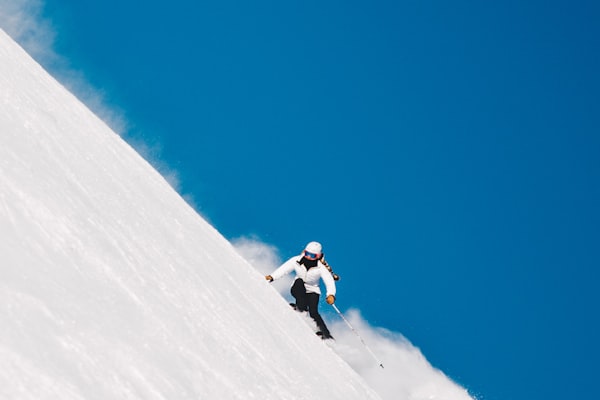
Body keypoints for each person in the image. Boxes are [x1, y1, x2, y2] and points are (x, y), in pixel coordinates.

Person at [265, 241, 337, 339]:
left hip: (313, 290)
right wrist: (272, 277)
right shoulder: (296, 260)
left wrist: (330, 295)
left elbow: (329, 281)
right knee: (299, 283)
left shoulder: (321, 267)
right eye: (307, 254)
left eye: (312, 256)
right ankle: (300, 308)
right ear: (304, 252)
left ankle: (326, 335)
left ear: (318, 256)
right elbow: (284, 269)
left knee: (313, 311)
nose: (308, 257)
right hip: (298, 287)